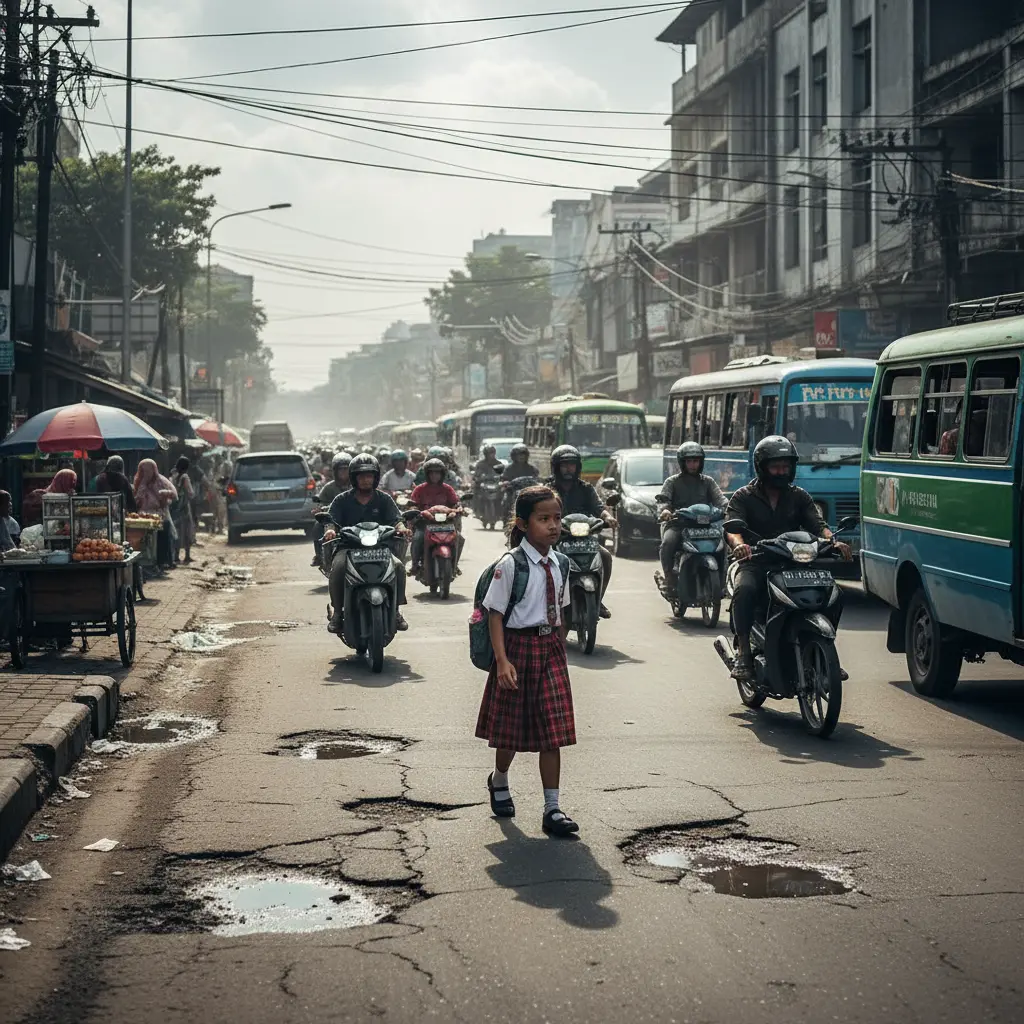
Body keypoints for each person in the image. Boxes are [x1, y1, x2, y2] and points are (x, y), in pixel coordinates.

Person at [475, 484, 579, 838]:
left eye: (557, 518)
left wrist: (557, 646)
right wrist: (502, 661)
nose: (553, 526)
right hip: (516, 651)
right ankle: (499, 778)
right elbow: (494, 614)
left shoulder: (562, 562)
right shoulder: (511, 565)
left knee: (553, 732)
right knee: (511, 732)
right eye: (543, 519)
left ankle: (553, 808)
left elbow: (562, 611)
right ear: (522, 523)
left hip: (549, 649)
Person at [726, 436, 851, 681]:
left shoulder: (800, 496)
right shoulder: (743, 496)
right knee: (745, 591)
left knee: (834, 594)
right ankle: (743, 651)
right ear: (762, 467)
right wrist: (741, 547)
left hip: (795, 561)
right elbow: (732, 529)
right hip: (758, 560)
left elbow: (819, 525)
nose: (781, 472)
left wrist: (832, 541)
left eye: (786, 466)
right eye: (775, 467)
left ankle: (825, 648)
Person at [325, 454, 409, 633]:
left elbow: (397, 519)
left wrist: (402, 527)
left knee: (400, 567)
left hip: (380, 549)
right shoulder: (342, 500)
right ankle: (338, 614)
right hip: (348, 549)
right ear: (354, 478)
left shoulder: (384, 499)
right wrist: (330, 530)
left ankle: (395, 611)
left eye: (369, 476)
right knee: (338, 568)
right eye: (361, 476)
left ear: (376, 477)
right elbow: (330, 520)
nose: (365, 480)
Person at [545, 444, 614, 618]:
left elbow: (599, 507)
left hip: (584, 537)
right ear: (556, 467)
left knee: (605, 556)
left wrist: (608, 517)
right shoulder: (548, 489)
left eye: (572, 464)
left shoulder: (586, 488)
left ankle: (598, 600)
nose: (568, 468)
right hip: (556, 537)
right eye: (564, 465)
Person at [657, 442, 727, 595]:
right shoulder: (672, 482)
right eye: (689, 461)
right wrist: (665, 511)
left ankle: (723, 581)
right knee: (668, 543)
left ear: (701, 462)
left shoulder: (708, 481)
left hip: (704, 525)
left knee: (724, 542)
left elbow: (721, 500)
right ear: (683, 462)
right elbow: (663, 502)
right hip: (678, 525)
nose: (693, 465)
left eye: (696, 461)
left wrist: (728, 509)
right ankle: (669, 578)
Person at [409, 458, 465, 575]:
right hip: (424, 524)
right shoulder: (419, 489)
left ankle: (454, 565)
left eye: (437, 472)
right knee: (417, 538)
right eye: (432, 472)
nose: (435, 475)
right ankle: (414, 565)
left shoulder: (448, 489)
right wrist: (415, 511)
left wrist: (458, 508)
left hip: (445, 524)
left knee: (459, 538)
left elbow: (455, 503)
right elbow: (413, 504)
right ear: (427, 474)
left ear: (442, 474)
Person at [134, 459, 177, 570]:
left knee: (161, 535)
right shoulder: (138, 481)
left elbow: (174, 495)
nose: (147, 474)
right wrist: (142, 486)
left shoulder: (161, 480)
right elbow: (136, 499)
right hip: (142, 516)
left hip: (159, 514)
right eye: (144, 471)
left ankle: (161, 561)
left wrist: (165, 493)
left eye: (149, 471)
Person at [311, 453, 351, 567]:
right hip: (334, 518)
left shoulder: (357, 485)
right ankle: (319, 555)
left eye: (346, 469)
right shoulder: (329, 487)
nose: (343, 472)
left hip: (355, 516)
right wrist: (321, 509)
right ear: (335, 471)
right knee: (317, 526)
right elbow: (320, 502)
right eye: (341, 470)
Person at [169, 457, 196, 564]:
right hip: (184, 508)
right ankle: (187, 556)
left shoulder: (173, 476)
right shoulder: (185, 477)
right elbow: (191, 493)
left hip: (175, 508)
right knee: (187, 531)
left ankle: (176, 556)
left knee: (177, 531)